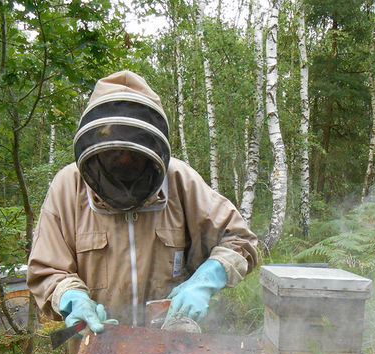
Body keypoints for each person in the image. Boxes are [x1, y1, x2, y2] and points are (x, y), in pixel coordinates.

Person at [27, 71, 258, 334]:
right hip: (97, 346)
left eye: (132, 151)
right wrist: (71, 298)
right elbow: (47, 269)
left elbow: (240, 242)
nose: (124, 159)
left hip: (171, 345)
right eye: (115, 150)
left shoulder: (180, 180)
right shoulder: (68, 187)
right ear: (96, 143)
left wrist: (207, 279)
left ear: (153, 147)